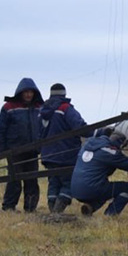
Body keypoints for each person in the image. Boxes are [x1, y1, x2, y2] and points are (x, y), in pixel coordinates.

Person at [71, 128, 128, 216]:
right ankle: (110, 215)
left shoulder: (87, 147)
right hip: (92, 189)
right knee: (126, 188)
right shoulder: (109, 151)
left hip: (75, 190)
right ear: (119, 143)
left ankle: (90, 207)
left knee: (105, 189)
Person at [0, 77, 44, 212]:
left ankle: (30, 208)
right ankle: (9, 207)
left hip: (33, 150)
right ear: (20, 92)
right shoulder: (9, 107)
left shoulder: (39, 107)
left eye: (31, 92)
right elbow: (0, 129)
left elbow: (44, 128)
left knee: (32, 181)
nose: (28, 94)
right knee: (14, 181)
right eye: (26, 92)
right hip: (14, 151)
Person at [39, 83, 87, 213]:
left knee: (53, 182)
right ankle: (58, 211)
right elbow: (80, 127)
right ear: (64, 94)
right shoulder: (66, 109)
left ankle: (52, 208)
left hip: (48, 156)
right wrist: (97, 134)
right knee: (68, 183)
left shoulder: (43, 111)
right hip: (66, 155)